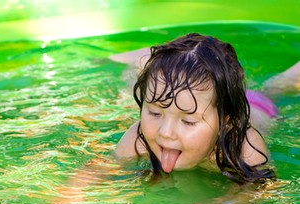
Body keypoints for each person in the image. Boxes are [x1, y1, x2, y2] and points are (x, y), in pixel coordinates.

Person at [112, 33, 299, 184]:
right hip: (203, 98)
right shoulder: (140, 136)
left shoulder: (244, 146)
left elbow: (257, 192)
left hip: (258, 106)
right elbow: (103, 170)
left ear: (225, 121)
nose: (166, 132)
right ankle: (140, 60)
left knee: (277, 88)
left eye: (188, 121)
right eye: (154, 113)